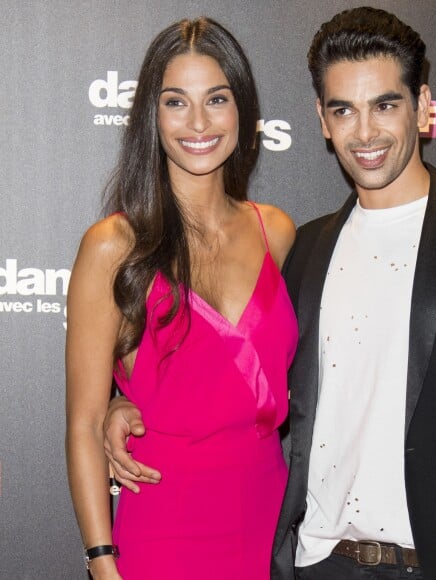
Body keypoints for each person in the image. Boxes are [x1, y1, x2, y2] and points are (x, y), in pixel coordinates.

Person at [104, 7, 436, 580]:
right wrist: (121, 401)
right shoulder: (303, 250)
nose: (366, 132)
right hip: (320, 564)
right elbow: (223, 361)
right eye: (343, 110)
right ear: (323, 122)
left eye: (385, 104)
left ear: (424, 106)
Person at [65, 16, 297, 580]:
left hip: (268, 528)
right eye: (176, 102)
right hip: (161, 533)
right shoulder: (112, 246)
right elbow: (84, 421)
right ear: (152, 114)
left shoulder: (278, 232)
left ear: (242, 109)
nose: (198, 122)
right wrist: (103, 564)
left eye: (216, 98)